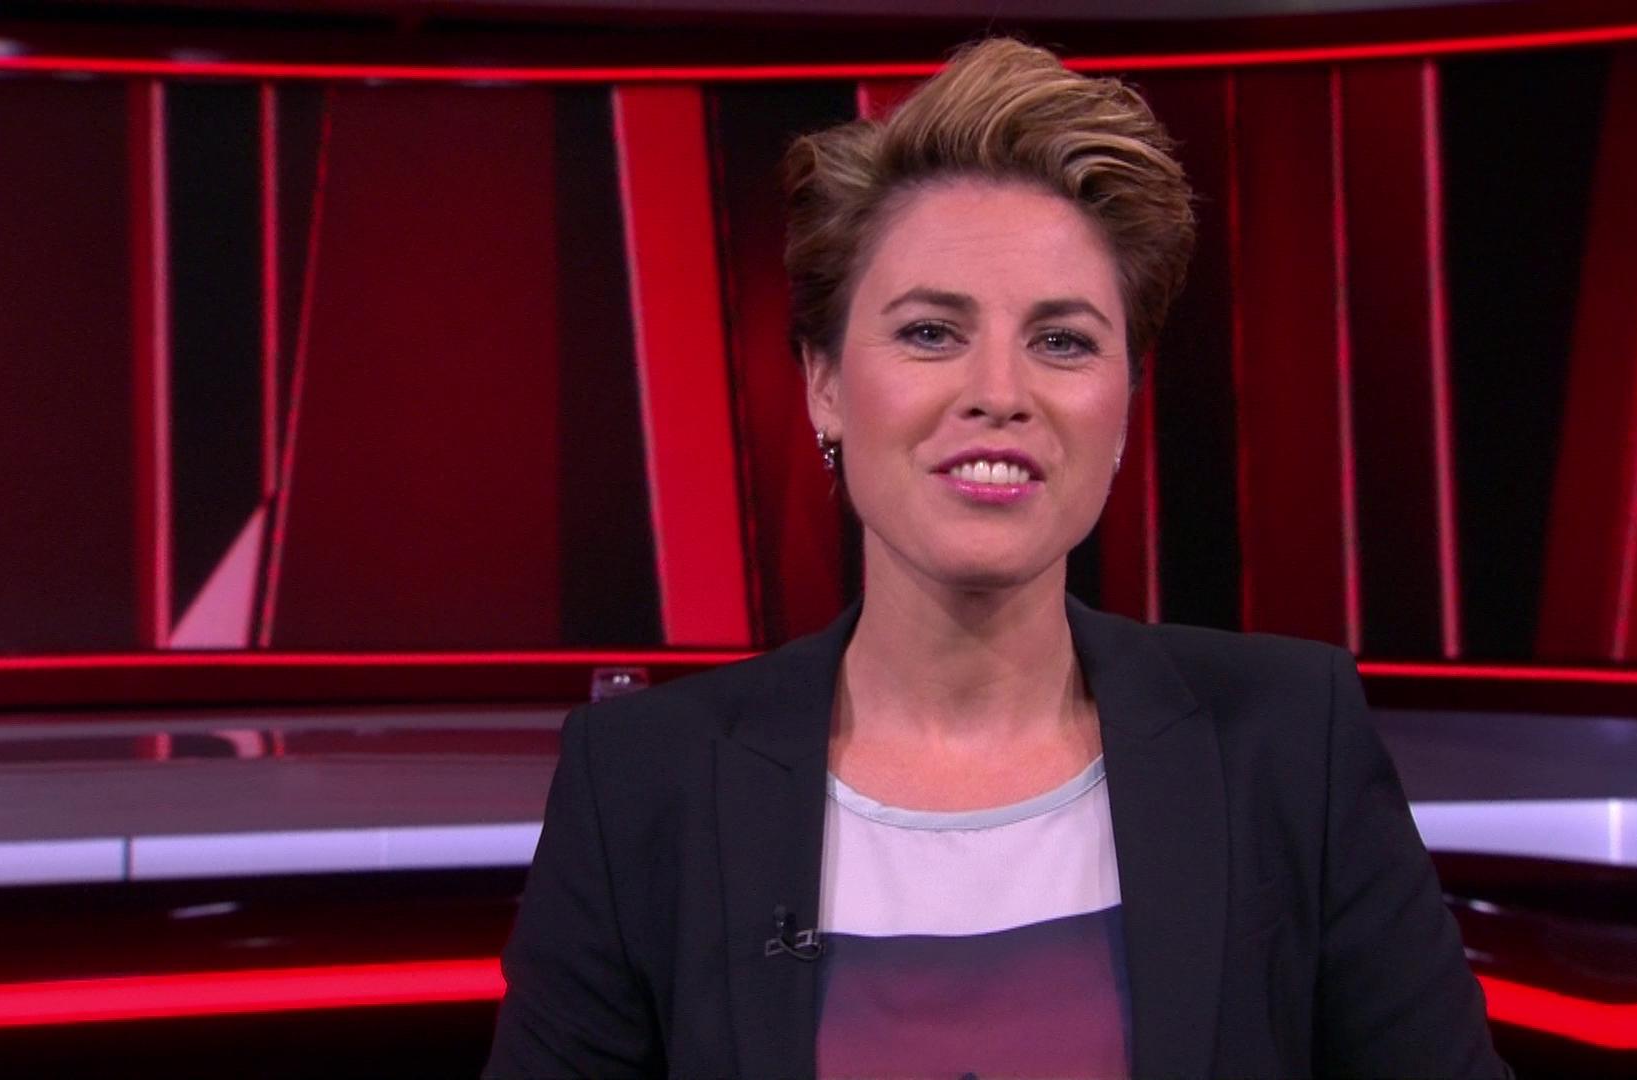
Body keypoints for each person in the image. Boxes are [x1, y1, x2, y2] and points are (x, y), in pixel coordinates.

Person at [487, 38, 1507, 1079]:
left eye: (1062, 341)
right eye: (932, 332)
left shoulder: (1290, 743)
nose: (999, 394)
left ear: (1125, 401)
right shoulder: (643, 783)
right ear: (825, 384)